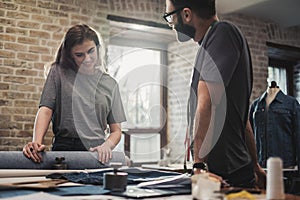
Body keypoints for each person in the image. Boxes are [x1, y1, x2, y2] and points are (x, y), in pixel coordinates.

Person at [164, 0, 266, 188]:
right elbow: (240, 119)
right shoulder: (211, 43)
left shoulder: (222, 33)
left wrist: (199, 165)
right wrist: (255, 165)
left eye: (170, 16)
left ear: (186, 15)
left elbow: (208, 102)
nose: (170, 23)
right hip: (233, 170)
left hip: (226, 174)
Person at [23, 24, 126, 164]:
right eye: (79, 55)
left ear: (98, 48)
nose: (87, 58)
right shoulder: (58, 73)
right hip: (64, 147)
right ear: (70, 55)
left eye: (91, 51)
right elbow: (45, 110)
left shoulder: (110, 84)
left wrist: (106, 146)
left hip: (97, 151)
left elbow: (116, 131)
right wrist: (36, 142)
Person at [250, 81, 300, 172]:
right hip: (261, 166)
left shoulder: (291, 104)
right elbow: (250, 135)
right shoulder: (256, 105)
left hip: (285, 166)